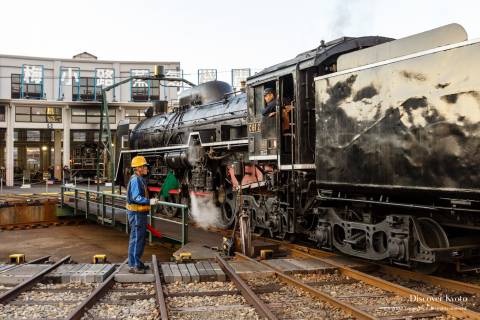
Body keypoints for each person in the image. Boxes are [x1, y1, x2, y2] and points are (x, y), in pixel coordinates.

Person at [126, 155, 158, 274]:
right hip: (136, 214)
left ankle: (137, 262)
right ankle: (134, 265)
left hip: (140, 214)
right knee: (136, 239)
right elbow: (136, 197)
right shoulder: (135, 180)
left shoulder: (140, 179)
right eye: (144, 166)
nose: (146, 168)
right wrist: (149, 201)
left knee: (139, 239)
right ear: (138, 168)